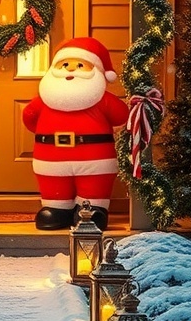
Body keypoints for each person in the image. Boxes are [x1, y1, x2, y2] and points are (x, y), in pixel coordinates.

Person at [22, 38, 128, 231]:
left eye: (80, 65)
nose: (71, 70)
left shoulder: (102, 99)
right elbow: (29, 117)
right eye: (65, 65)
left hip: (94, 160)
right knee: (55, 189)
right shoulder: (44, 99)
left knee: (93, 188)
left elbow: (121, 115)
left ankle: (91, 210)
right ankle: (56, 209)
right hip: (51, 160)